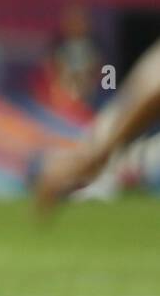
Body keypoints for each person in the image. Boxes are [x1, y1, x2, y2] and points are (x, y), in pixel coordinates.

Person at [36, 37, 160, 210]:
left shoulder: (104, 97)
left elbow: (153, 83)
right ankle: (95, 187)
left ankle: (98, 185)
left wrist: (95, 157)